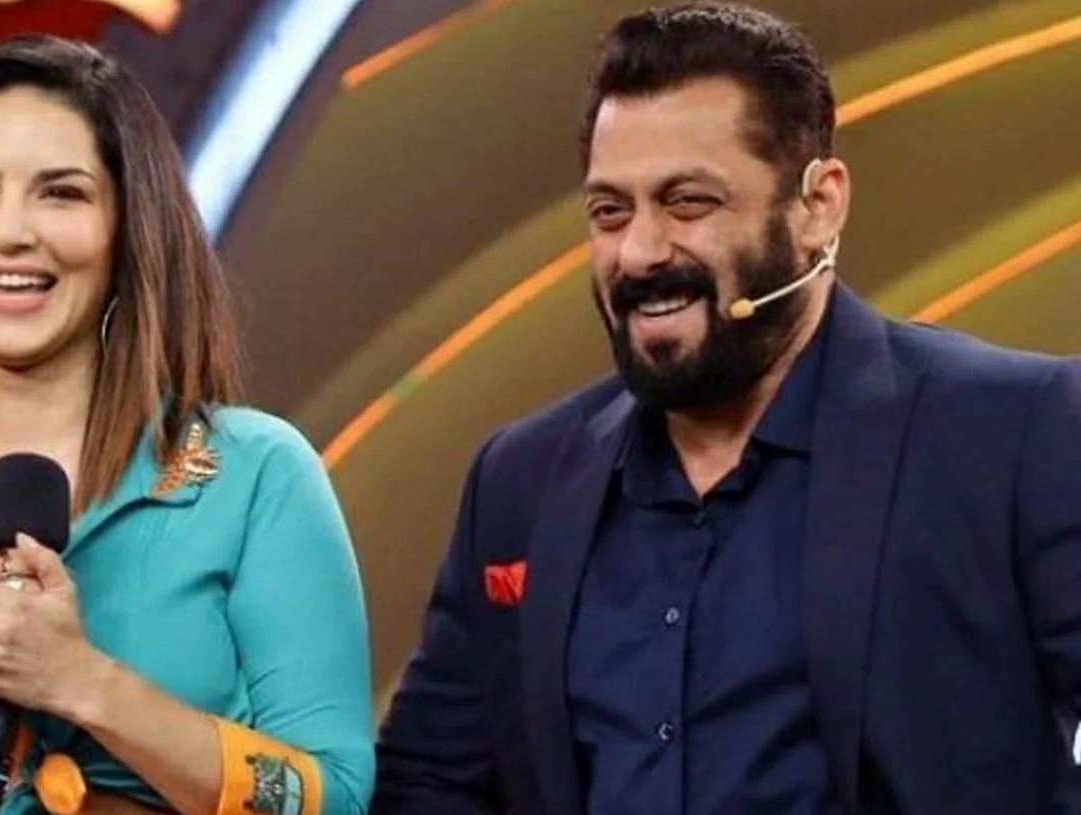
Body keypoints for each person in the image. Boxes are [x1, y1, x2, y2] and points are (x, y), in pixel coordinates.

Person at [372, 4, 1081, 814]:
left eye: (688, 203)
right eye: (610, 212)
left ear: (817, 205)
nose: (641, 252)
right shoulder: (520, 481)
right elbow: (429, 782)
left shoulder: (1013, 432)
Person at [0, 35, 374, 815]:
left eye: (60, 193)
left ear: (129, 230)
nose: (7, 231)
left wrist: (81, 680)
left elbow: (330, 798)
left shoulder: (254, 474)